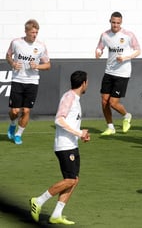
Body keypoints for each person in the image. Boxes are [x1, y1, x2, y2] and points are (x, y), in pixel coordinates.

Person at [29, 71, 90, 225]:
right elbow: (59, 120)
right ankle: (38, 200)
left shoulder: (75, 98)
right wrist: (79, 132)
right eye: (87, 82)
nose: (87, 84)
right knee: (70, 180)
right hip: (64, 146)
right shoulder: (69, 97)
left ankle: (56, 214)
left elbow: (70, 122)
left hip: (72, 144)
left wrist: (81, 135)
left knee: (74, 180)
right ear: (83, 83)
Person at [6, 19, 51, 145]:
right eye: (32, 32)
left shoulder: (41, 46)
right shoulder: (16, 43)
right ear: (26, 31)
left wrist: (37, 66)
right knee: (15, 111)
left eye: (36, 32)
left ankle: (18, 135)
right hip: (17, 80)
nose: (34, 35)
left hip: (32, 82)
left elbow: (48, 65)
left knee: (26, 110)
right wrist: (13, 63)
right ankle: (12, 124)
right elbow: (8, 55)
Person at [95, 11, 141, 135]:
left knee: (113, 103)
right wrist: (98, 52)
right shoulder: (105, 35)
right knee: (104, 101)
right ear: (110, 21)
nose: (115, 25)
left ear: (121, 23)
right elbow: (100, 47)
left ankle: (126, 116)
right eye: (113, 22)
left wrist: (125, 58)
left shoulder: (128, 35)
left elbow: (138, 50)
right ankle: (110, 127)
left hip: (122, 73)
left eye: (118, 23)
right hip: (109, 71)